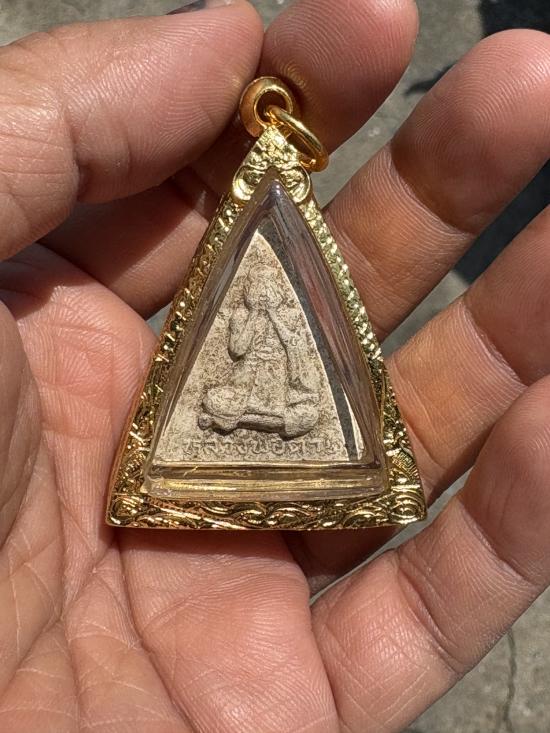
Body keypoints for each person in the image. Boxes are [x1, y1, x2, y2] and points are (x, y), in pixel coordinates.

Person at [0, 0, 548, 730]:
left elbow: (287, 360)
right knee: (229, 396)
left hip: (280, 402)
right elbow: (231, 354)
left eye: (262, 298)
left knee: (297, 401)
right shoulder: (247, 317)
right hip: (223, 420)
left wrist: (281, 365)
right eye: (257, 297)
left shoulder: (283, 326)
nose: (260, 300)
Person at [199, 263, 320, 437]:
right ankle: (266, 421)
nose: (263, 291)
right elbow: (237, 350)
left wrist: (273, 314)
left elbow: (296, 347)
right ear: (249, 288)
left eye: (268, 284)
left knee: (309, 415)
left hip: (279, 383)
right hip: (245, 381)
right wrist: (253, 313)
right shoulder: (241, 315)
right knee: (212, 399)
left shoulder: (290, 315)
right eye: (258, 284)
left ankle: (239, 421)